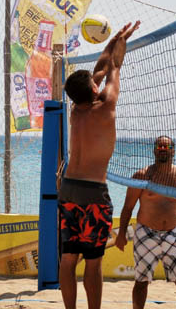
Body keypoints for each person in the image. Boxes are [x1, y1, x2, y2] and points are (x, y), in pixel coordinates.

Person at [58, 21, 140, 309]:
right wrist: (120, 43)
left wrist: (112, 40)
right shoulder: (105, 106)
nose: (98, 80)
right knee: (93, 262)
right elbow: (114, 66)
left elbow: (100, 69)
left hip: (68, 189)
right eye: (95, 82)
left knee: (68, 259)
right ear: (94, 89)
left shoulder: (75, 110)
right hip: (94, 193)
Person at [115, 135, 176, 309]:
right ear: (154, 150)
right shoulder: (142, 176)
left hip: (173, 233)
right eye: (159, 146)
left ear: (173, 150)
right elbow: (128, 207)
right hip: (146, 233)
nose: (162, 149)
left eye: (166, 147)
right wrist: (121, 233)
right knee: (142, 281)